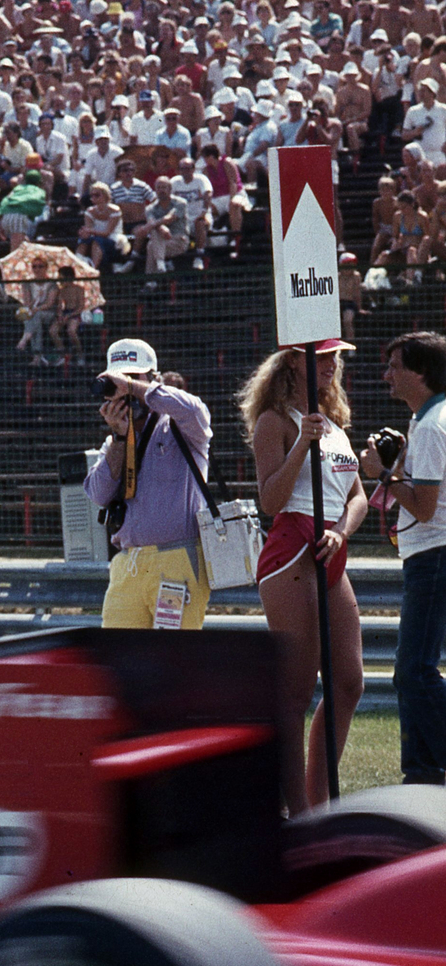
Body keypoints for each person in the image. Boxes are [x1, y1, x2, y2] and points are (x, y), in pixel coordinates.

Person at [240, 340, 366, 814]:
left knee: (350, 682)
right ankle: (298, 812)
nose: (332, 365)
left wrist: (340, 531)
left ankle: (322, 802)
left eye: (336, 357)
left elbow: (357, 496)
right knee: (296, 689)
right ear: (294, 361)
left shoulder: (334, 425)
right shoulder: (275, 421)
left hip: (331, 543)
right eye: (322, 357)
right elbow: (270, 501)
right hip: (291, 548)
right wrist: (301, 447)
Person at [359, 332, 446, 785]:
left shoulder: (432, 426)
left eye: (394, 366)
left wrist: (383, 475)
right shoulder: (428, 420)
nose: (386, 375)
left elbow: (426, 507)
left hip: (433, 556)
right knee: (411, 673)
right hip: (429, 556)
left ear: (420, 372)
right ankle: (422, 774)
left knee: (412, 672)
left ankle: (425, 770)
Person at [85, 338, 214, 629]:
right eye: (117, 382)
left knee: (173, 664)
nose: (123, 389)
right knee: (119, 662)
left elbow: (194, 408)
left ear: (154, 379)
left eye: (133, 377)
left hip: (176, 562)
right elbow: (98, 494)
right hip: (128, 563)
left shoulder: (180, 426)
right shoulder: (114, 440)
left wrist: (133, 389)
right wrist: (119, 438)